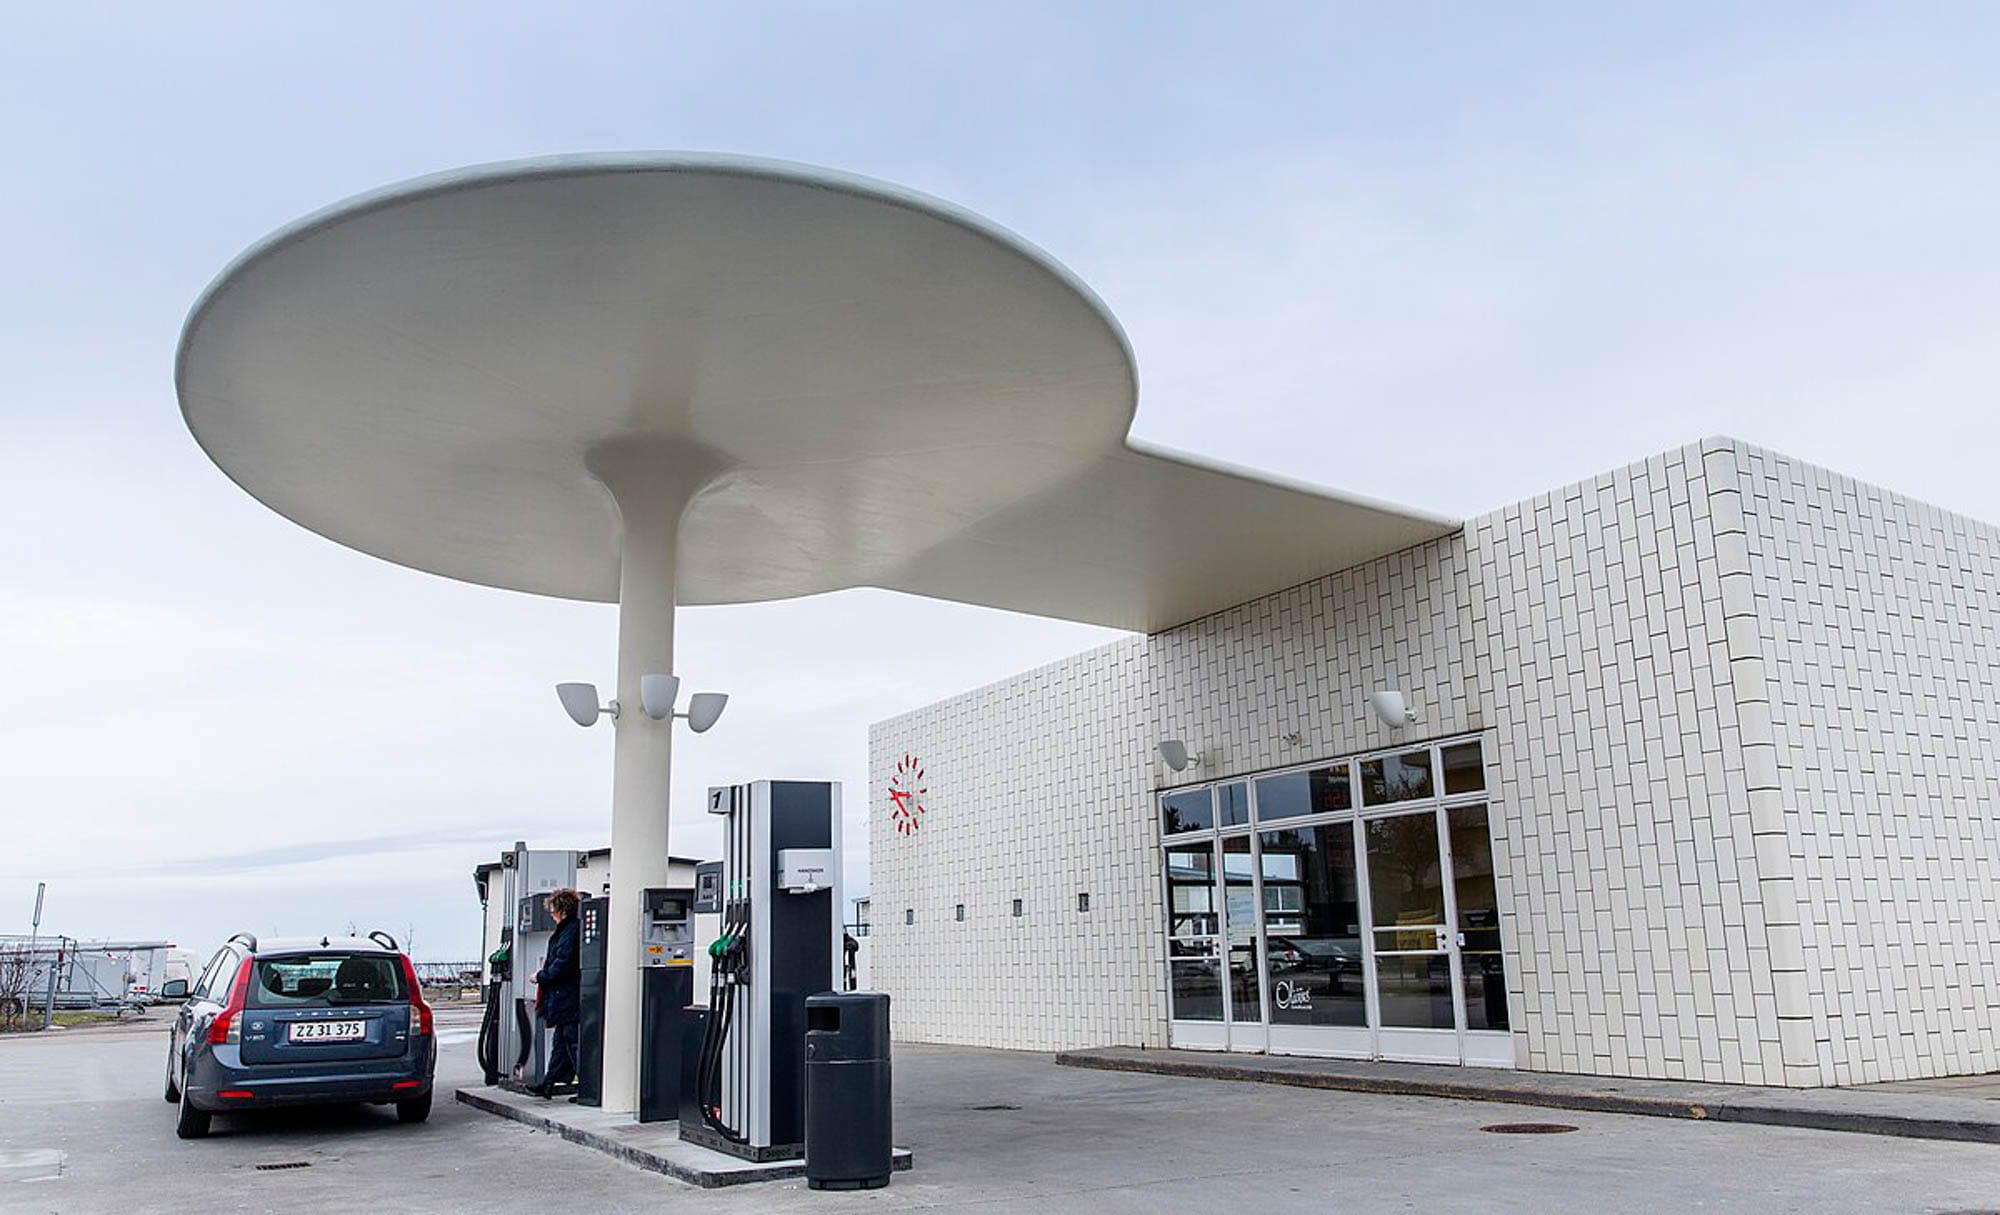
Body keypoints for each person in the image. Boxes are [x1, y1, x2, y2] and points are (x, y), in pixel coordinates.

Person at [530, 888, 581, 1098]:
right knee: (562, 1042)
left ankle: (586, 1086)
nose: (551, 916)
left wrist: (541, 976)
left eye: (552, 911)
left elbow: (563, 963)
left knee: (572, 1042)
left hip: (567, 996)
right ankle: (549, 1083)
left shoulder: (569, 932)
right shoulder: (570, 930)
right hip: (565, 996)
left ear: (561, 910)